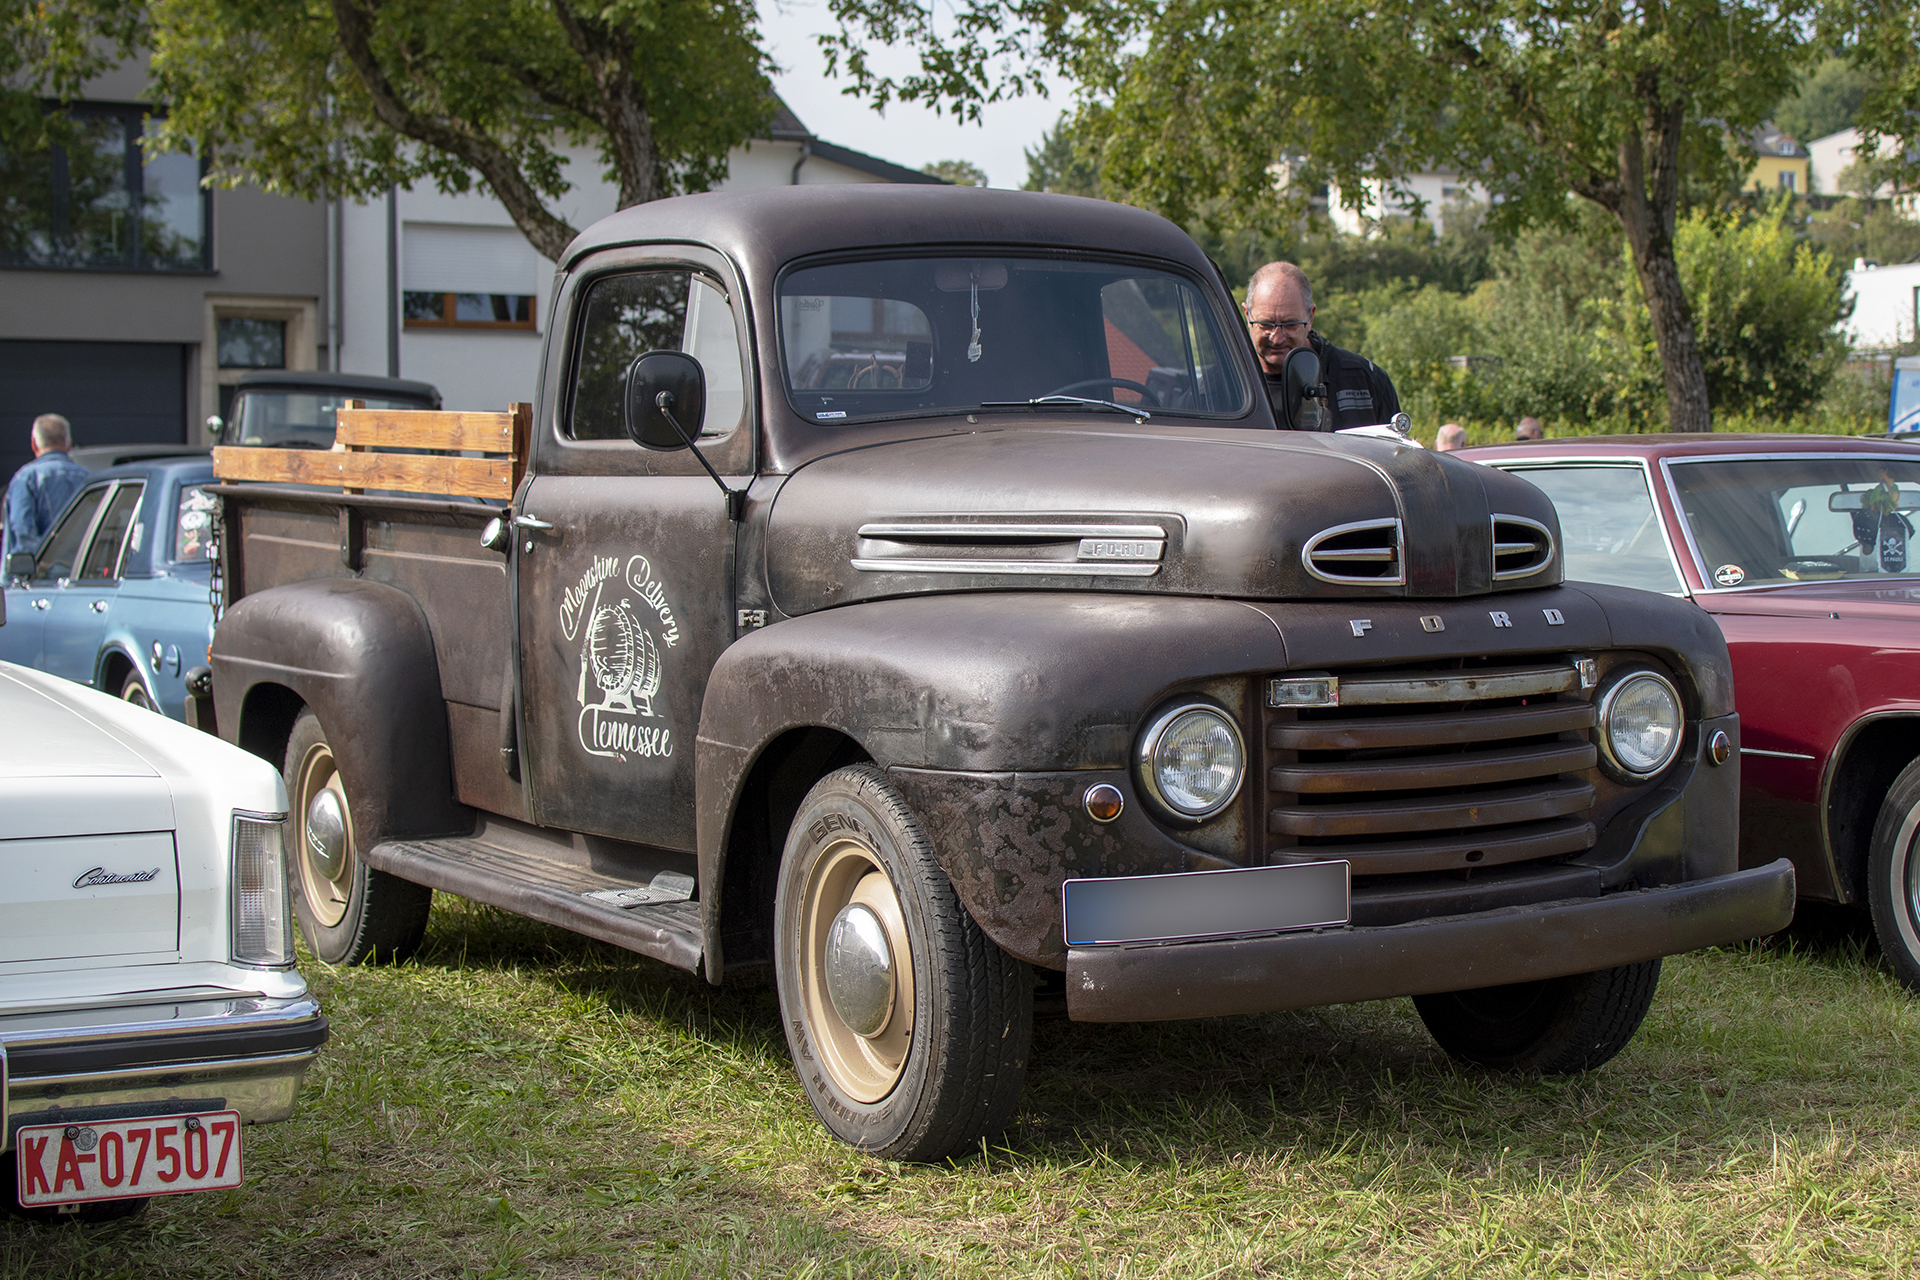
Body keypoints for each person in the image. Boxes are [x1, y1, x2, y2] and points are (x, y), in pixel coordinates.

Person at [1243, 261, 1400, 431]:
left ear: (1310, 317)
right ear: (1247, 315)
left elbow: (1396, 453)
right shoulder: (1223, 385)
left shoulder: (1364, 382)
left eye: (1290, 325)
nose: (1277, 338)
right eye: (1265, 324)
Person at [3, 414, 89, 559]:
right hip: (83, 572)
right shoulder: (88, 478)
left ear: (34, 443)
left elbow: (23, 534)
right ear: (68, 443)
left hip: (39, 576)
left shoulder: (26, 478)